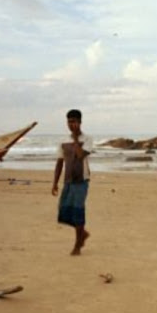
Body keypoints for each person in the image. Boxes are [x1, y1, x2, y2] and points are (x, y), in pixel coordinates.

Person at [52, 109, 93, 255]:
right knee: (64, 212)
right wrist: (55, 182)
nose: (72, 124)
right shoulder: (63, 141)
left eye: (74, 121)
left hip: (81, 181)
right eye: (69, 121)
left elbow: (81, 155)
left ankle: (78, 245)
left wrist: (76, 138)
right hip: (68, 181)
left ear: (80, 122)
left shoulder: (87, 139)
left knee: (78, 211)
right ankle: (83, 233)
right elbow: (59, 162)